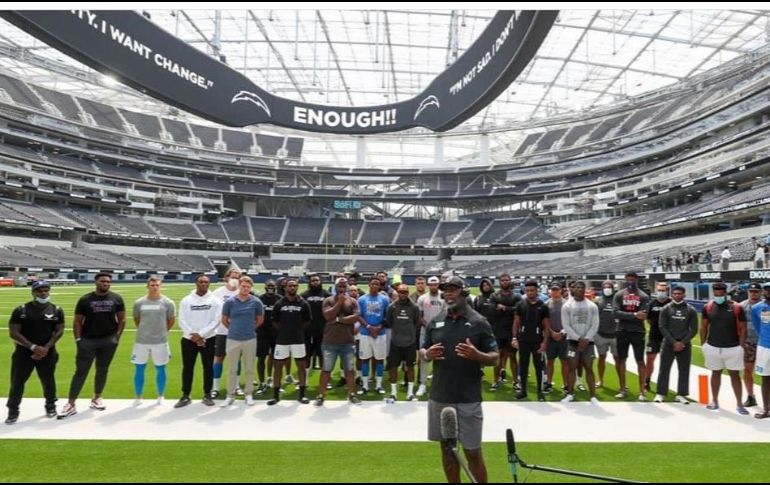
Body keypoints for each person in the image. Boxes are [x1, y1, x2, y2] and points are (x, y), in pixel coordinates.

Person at [421, 276, 498, 484]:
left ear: (464, 293)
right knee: (448, 452)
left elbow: (495, 357)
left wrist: (477, 356)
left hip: (468, 397)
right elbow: (422, 351)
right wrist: (427, 354)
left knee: (473, 452)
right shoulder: (436, 321)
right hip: (440, 395)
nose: (448, 294)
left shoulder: (479, 322)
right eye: (446, 290)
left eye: (453, 290)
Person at [59, 272, 125, 419]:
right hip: (88, 340)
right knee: (81, 372)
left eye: (108, 282)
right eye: (103, 281)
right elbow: (77, 321)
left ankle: (96, 398)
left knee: (102, 369)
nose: (106, 284)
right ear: (96, 282)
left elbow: (122, 319)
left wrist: (117, 337)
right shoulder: (85, 299)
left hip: (108, 340)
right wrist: (78, 340)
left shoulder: (117, 298)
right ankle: (71, 403)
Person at [5, 281, 64, 424]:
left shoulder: (56, 310)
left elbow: (59, 331)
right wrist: (32, 347)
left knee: (48, 381)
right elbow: (14, 333)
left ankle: (50, 406)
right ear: (33, 292)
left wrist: (45, 348)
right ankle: (13, 411)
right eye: (39, 291)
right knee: (17, 382)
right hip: (24, 353)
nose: (43, 293)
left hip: (47, 352)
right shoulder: (21, 310)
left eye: (46, 290)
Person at [701, 282, 748, 414]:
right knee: (715, 373)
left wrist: (741, 346)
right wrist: (703, 344)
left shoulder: (736, 307)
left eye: (721, 293)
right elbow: (703, 326)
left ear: (725, 293)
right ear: (713, 292)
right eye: (716, 293)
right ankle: (715, 400)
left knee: (735, 375)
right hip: (713, 346)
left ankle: (739, 404)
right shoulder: (708, 307)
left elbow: (743, 328)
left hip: (733, 347)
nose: (718, 295)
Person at [314, 277, 361, 406]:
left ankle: (352, 394)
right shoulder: (328, 300)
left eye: (343, 286)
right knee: (326, 369)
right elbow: (328, 316)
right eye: (339, 286)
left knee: (349, 370)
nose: (341, 288)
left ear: (347, 287)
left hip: (347, 342)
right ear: (335, 287)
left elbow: (355, 317)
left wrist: (340, 320)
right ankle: (321, 395)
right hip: (330, 342)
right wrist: (339, 303)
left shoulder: (353, 301)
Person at [176, 274, 220, 408]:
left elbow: (216, 321)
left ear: (209, 284)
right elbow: (181, 320)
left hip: (209, 339)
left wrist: (201, 335)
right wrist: (194, 336)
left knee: (208, 368)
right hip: (189, 339)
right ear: (196, 283)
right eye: (201, 282)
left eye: (206, 282)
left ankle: (207, 394)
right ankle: (185, 395)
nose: (203, 284)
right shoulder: (186, 300)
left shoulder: (215, 301)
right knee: (188, 368)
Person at [131, 276, 175, 406]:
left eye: (157, 285)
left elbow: (171, 320)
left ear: (160, 286)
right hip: (141, 341)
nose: (155, 287)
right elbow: (137, 319)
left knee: (161, 368)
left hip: (160, 341)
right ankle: (138, 396)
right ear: (147, 286)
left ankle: (161, 395)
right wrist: (145, 331)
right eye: (152, 285)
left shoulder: (168, 303)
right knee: (139, 368)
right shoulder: (139, 303)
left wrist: (162, 332)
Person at [267, 278, 312, 406]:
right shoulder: (279, 303)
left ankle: (302, 395)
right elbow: (274, 320)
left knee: (301, 367)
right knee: (278, 367)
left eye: (294, 286)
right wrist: (283, 330)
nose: (292, 288)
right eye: (290, 286)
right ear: (285, 288)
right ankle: (276, 396)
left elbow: (307, 320)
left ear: (297, 287)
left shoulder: (303, 303)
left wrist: (296, 329)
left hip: (298, 340)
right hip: (282, 340)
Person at [220, 276, 263, 407]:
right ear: (239, 286)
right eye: (243, 286)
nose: (245, 289)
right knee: (232, 369)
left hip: (250, 339)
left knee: (249, 368)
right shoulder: (230, 302)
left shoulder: (256, 302)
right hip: (233, 339)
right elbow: (224, 320)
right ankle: (230, 395)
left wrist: (249, 329)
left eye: (248, 287)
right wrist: (233, 329)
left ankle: (248, 394)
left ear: (251, 288)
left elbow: (260, 320)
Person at [655, 286, 698, 404]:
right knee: (664, 369)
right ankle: (661, 393)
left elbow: (694, 329)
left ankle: (682, 394)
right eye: (675, 293)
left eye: (680, 294)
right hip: (668, 343)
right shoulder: (666, 308)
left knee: (684, 369)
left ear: (684, 295)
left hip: (684, 345)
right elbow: (662, 327)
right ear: (672, 295)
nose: (677, 295)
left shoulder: (690, 310)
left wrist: (682, 343)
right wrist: (674, 342)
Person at [560, 281, 599, 403]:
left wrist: (587, 338)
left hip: (588, 342)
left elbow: (595, 324)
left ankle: (592, 396)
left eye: (582, 287)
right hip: (573, 342)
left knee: (589, 368)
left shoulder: (592, 305)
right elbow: (566, 325)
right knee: (572, 367)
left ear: (584, 289)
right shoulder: (567, 306)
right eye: (577, 287)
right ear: (573, 289)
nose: (579, 289)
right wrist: (578, 338)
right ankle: (570, 394)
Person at [613, 271, 649, 401]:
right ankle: (622, 389)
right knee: (621, 359)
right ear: (625, 279)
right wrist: (634, 315)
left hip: (638, 331)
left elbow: (644, 315)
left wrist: (628, 315)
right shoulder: (619, 294)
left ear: (637, 280)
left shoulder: (643, 296)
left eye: (633, 279)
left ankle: (642, 391)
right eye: (629, 279)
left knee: (640, 360)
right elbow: (616, 313)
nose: (631, 281)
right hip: (622, 330)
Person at [512, 280, 550, 401]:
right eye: (527, 290)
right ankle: (523, 391)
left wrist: (544, 342)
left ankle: (540, 391)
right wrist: (514, 337)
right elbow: (516, 322)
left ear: (537, 290)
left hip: (537, 341)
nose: (529, 293)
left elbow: (546, 326)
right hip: (523, 340)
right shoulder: (521, 305)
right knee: (523, 366)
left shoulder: (543, 306)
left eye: (532, 290)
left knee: (539, 367)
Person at [385, 284, 421, 402]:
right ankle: (393, 392)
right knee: (393, 367)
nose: (403, 294)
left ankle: (410, 393)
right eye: (400, 292)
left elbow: (416, 323)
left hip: (410, 343)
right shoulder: (392, 307)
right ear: (398, 292)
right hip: (395, 342)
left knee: (410, 367)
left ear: (408, 292)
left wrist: (409, 334)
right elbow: (389, 322)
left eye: (405, 292)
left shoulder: (414, 307)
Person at [356, 277, 390, 395]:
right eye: (373, 284)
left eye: (377, 284)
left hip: (380, 334)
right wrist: (369, 327)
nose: (375, 286)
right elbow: (359, 316)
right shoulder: (361, 299)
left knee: (379, 359)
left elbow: (387, 316)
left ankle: (378, 385)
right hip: (365, 333)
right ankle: (365, 386)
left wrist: (379, 327)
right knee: (365, 359)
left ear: (380, 286)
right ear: (369, 285)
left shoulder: (384, 299)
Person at [211, 268, 242, 398]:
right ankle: (215, 387)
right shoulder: (217, 293)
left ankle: (236, 386)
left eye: (237, 277)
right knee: (219, 358)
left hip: (238, 332)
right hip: (221, 332)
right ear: (227, 277)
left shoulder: (243, 292)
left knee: (237, 360)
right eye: (232, 276)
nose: (235, 279)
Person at [489, 274, 521, 391]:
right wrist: (509, 309)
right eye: (502, 280)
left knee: (513, 356)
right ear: (499, 281)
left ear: (510, 281)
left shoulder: (516, 296)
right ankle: (495, 380)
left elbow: (519, 309)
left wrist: (504, 308)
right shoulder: (494, 295)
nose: (505, 282)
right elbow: (492, 309)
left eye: (506, 280)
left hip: (512, 330)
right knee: (498, 356)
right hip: (498, 330)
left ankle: (515, 381)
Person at [416, 276, 445, 397]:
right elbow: (419, 316)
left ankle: (441, 383)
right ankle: (422, 384)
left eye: (436, 284)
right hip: (426, 331)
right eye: (431, 284)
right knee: (424, 357)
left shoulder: (443, 297)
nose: (433, 286)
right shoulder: (422, 298)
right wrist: (428, 326)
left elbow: (446, 314)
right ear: (428, 285)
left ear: (438, 285)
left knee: (442, 357)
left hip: (442, 331)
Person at [644, 282, 671, 394]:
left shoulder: (671, 303)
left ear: (667, 291)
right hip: (654, 336)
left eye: (663, 290)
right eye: (659, 290)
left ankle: (663, 384)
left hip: (669, 337)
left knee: (666, 362)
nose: (661, 292)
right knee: (650, 359)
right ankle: (647, 380)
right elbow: (648, 319)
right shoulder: (652, 303)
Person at [593, 281, 620, 389]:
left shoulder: (617, 300)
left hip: (615, 335)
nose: (607, 289)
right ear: (602, 288)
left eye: (609, 287)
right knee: (601, 358)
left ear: (613, 288)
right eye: (605, 287)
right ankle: (601, 380)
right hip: (601, 334)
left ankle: (621, 383)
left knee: (618, 359)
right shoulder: (597, 301)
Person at [301, 274, 331, 372]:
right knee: (306, 354)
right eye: (313, 280)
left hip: (323, 330)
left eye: (317, 280)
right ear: (309, 282)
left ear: (320, 281)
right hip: (307, 330)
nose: (315, 282)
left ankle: (325, 379)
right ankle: (304, 381)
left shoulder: (326, 294)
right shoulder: (304, 295)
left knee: (322, 354)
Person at [740, 282, 763, 408]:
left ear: (760, 292)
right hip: (748, 342)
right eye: (751, 291)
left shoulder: (765, 306)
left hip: (764, 343)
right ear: (748, 292)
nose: (753, 294)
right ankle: (750, 396)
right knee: (748, 370)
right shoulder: (742, 306)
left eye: (756, 291)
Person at [256, 280, 280, 394]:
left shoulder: (280, 299)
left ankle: (274, 382)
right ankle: (261, 383)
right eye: (269, 286)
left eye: (273, 286)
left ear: (276, 287)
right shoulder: (259, 299)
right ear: (265, 287)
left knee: (277, 359)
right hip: (262, 333)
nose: (271, 288)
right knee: (261, 358)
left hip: (277, 334)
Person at [543, 283, 568, 394]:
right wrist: (552, 333)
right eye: (553, 290)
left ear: (560, 290)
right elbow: (544, 322)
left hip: (564, 336)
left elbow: (569, 321)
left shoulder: (567, 304)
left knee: (565, 361)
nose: (554, 292)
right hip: (550, 336)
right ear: (550, 291)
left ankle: (566, 384)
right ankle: (549, 382)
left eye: (556, 289)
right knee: (550, 361)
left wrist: (562, 333)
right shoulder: (546, 304)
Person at [751, 282, 770, 419]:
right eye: (766, 289)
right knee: (765, 379)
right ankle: (766, 409)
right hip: (764, 347)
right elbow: (757, 327)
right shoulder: (757, 308)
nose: (768, 291)